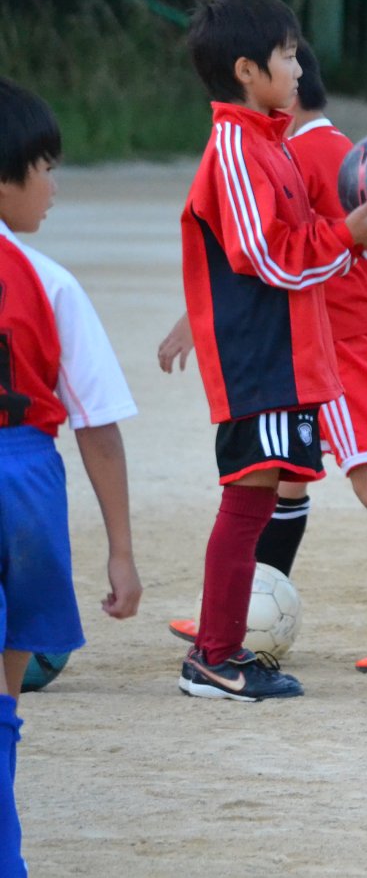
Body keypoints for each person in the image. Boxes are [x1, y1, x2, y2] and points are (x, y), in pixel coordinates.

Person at [158, 42, 367, 672]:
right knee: (286, 482)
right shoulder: (342, 153)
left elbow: (273, 251)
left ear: (289, 89)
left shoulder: (301, 154)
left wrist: (193, 321)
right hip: (343, 338)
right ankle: (242, 607)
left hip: (340, 340)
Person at [176, 0, 367, 702]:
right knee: (245, 500)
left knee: (259, 499)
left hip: (289, 357)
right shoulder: (236, 146)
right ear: (247, 70)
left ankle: (219, 648)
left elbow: (297, 251)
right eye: (285, 55)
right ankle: (215, 655)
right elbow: (265, 256)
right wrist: (349, 236)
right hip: (260, 357)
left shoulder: (269, 143)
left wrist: (352, 237)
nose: (297, 68)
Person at [0, 76, 143, 871]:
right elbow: (97, 426)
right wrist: (121, 551)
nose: (53, 187)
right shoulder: (48, 281)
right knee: (5, 699)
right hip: (21, 478)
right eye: (44, 167)